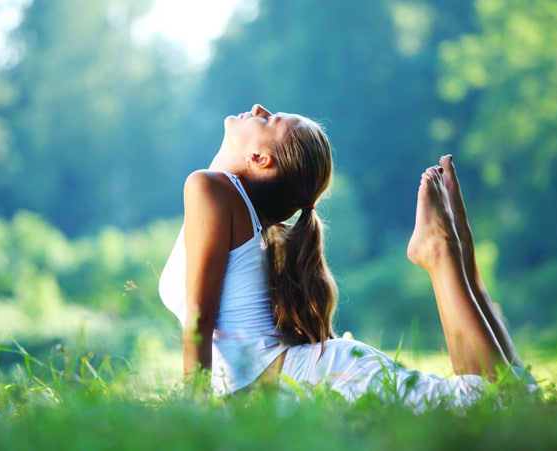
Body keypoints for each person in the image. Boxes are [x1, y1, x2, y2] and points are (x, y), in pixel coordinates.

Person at [159, 104, 535, 409]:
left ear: (260, 158)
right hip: (316, 375)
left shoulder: (209, 188)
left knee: (498, 404)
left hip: (319, 377)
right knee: (519, 401)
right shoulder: (228, 202)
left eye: (269, 119)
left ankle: (442, 252)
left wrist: (197, 409)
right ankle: (462, 262)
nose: (258, 108)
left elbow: (199, 317)